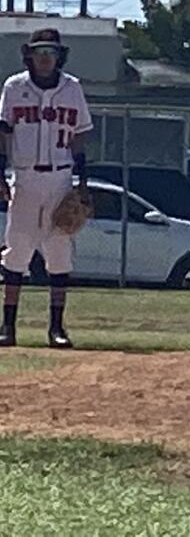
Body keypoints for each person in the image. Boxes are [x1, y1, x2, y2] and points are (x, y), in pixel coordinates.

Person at [0, 29, 93, 349]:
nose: (44, 58)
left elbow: (80, 134)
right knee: (17, 249)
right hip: (25, 178)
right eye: (39, 52)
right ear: (29, 55)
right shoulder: (14, 87)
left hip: (60, 178)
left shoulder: (72, 88)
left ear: (59, 56)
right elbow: (4, 131)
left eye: (50, 52)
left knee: (59, 250)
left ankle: (57, 327)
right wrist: (0, 174)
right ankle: (7, 327)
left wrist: (82, 181)